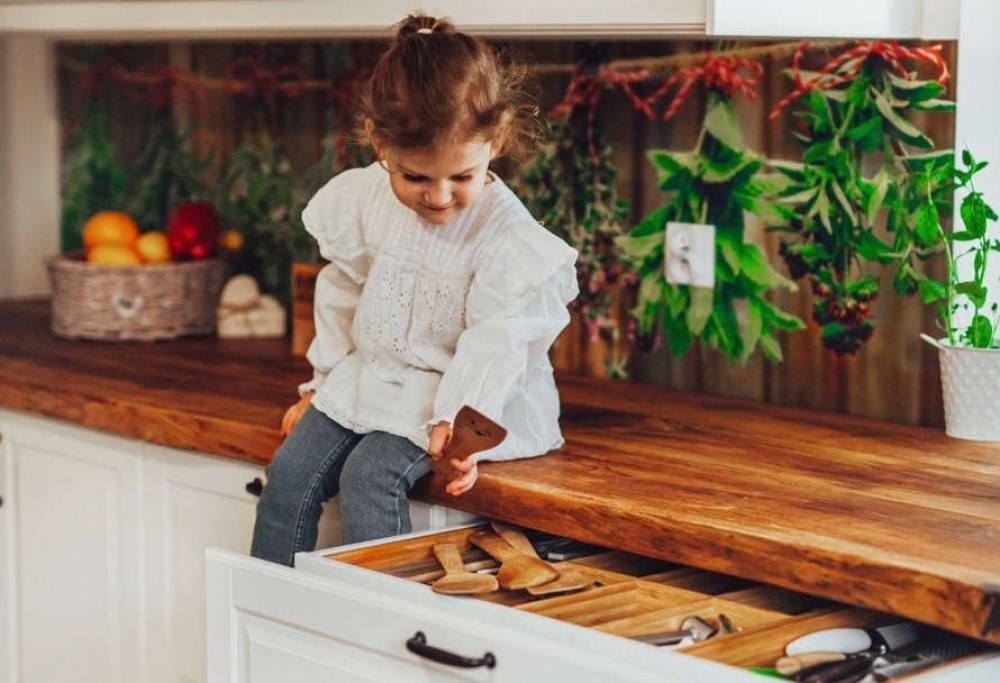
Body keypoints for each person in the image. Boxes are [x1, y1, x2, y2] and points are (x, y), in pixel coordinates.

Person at [250, 13, 579, 567]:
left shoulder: (505, 237)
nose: (439, 196)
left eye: (462, 177)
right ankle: (268, 605)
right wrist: (320, 382)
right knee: (288, 472)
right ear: (380, 144)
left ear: (494, 143)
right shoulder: (367, 201)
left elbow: (496, 343)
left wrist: (459, 432)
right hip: (370, 378)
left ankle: (378, 624)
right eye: (416, 177)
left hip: (449, 398)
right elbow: (342, 289)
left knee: (369, 477)